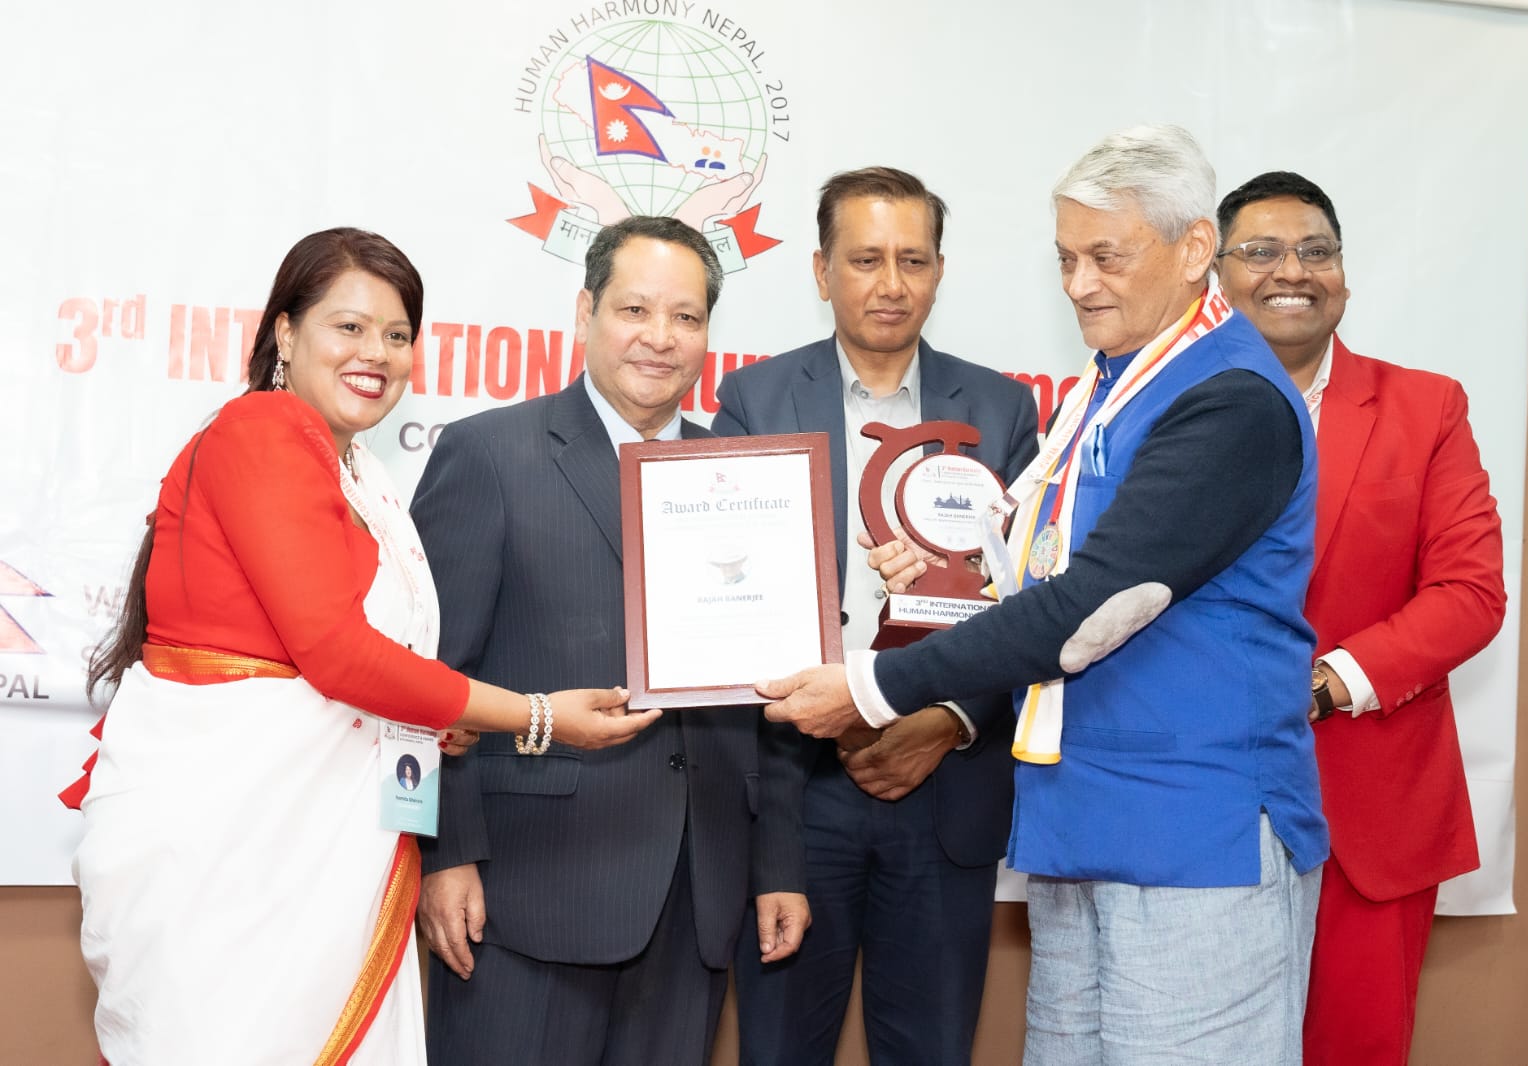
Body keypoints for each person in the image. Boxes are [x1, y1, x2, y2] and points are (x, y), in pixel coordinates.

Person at [761, 126, 1330, 1063]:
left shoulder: (1230, 399)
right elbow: (1031, 577)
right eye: (1066, 258)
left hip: (1194, 834)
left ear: (1195, 249)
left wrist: (871, 686)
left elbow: (1094, 607)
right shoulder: (1104, 389)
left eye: (1107, 256)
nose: (1079, 284)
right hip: (1079, 825)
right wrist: (943, 585)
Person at [64, 227, 657, 1066]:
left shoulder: (360, 472)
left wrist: (431, 721)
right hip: (233, 848)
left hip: (318, 844)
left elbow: (370, 668)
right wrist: (535, 717)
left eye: (397, 334)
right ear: (284, 333)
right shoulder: (263, 430)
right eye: (349, 326)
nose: (375, 352)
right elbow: (337, 657)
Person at [412, 215, 810, 1066]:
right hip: (524, 893)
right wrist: (444, 855)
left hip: (696, 895)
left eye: (686, 317)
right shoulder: (487, 455)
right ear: (584, 311)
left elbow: (773, 693)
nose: (660, 338)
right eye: (635, 310)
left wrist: (778, 864)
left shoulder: (745, 477)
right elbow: (429, 681)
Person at [711, 166, 1038, 1065]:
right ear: (821, 271)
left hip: (943, 779)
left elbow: (1034, 600)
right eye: (864, 260)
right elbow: (733, 601)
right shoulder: (754, 401)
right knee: (781, 1048)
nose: (891, 284)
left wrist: (950, 718)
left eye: (912, 260)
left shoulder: (1003, 409)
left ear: (939, 271)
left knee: (931, 1047)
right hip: (797, 785)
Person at [1216, 171, 1506, 1066]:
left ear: (1343, 271)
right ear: (1215, 273)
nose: (1291, 271)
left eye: (1316, 251)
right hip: (1199, 804)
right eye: (1260, 252)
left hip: (1368, 812)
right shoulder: (1161, 408)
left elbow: (1470, 593)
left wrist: (1325, 684)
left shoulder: (1426, 407)